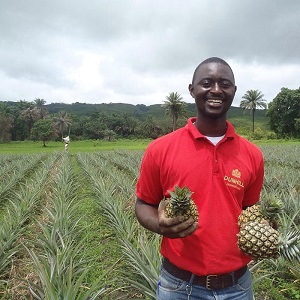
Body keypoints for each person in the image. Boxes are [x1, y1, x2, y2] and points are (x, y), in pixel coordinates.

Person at [135, 57, 264, 300]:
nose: (216, 90)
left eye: (224, 84)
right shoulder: (159, 149)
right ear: (192, 90)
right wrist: (159, 225)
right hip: (179, 286)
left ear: (234, 91)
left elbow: (249, 209)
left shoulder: (253, 154)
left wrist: (264, 226)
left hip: (238, 286)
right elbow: (144, 204)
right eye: (207, 83)